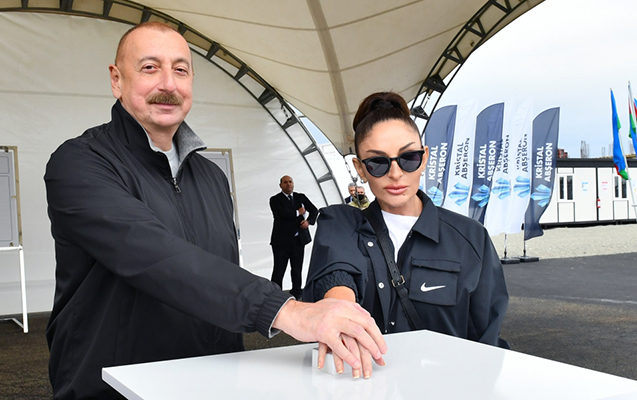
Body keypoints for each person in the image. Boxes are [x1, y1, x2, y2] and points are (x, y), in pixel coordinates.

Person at [44, 22, 386, 399]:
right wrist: (287, 310)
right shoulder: (79, 164)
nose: (168, 84)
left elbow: (220, 270)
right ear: (116, 79)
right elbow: (153, 255)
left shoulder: (211, 177)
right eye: (149, 68)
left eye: (180, 69)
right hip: (114, 388)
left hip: (210, 383)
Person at [304, 91, 509, 373]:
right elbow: (334, 275)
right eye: (378, 163)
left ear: (424, 158)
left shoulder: (471, 238)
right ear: (360, 169)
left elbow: (487, 340)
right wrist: (340, 309)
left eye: (408, 157)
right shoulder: (341, 225)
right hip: (362, 388)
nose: (396, 173)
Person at [269, 175, 318, 299]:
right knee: (279, 270)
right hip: (281, 242)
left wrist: (308, 222)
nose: (288, 184)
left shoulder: (300, 197)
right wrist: (298, 212)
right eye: (285, 182)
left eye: (290, 182)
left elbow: (314, 210)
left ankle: (297, 293)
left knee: (297, 269)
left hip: (298, 240)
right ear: (280, 185)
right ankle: (275, 295)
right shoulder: (275, 199)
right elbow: (280, 214)